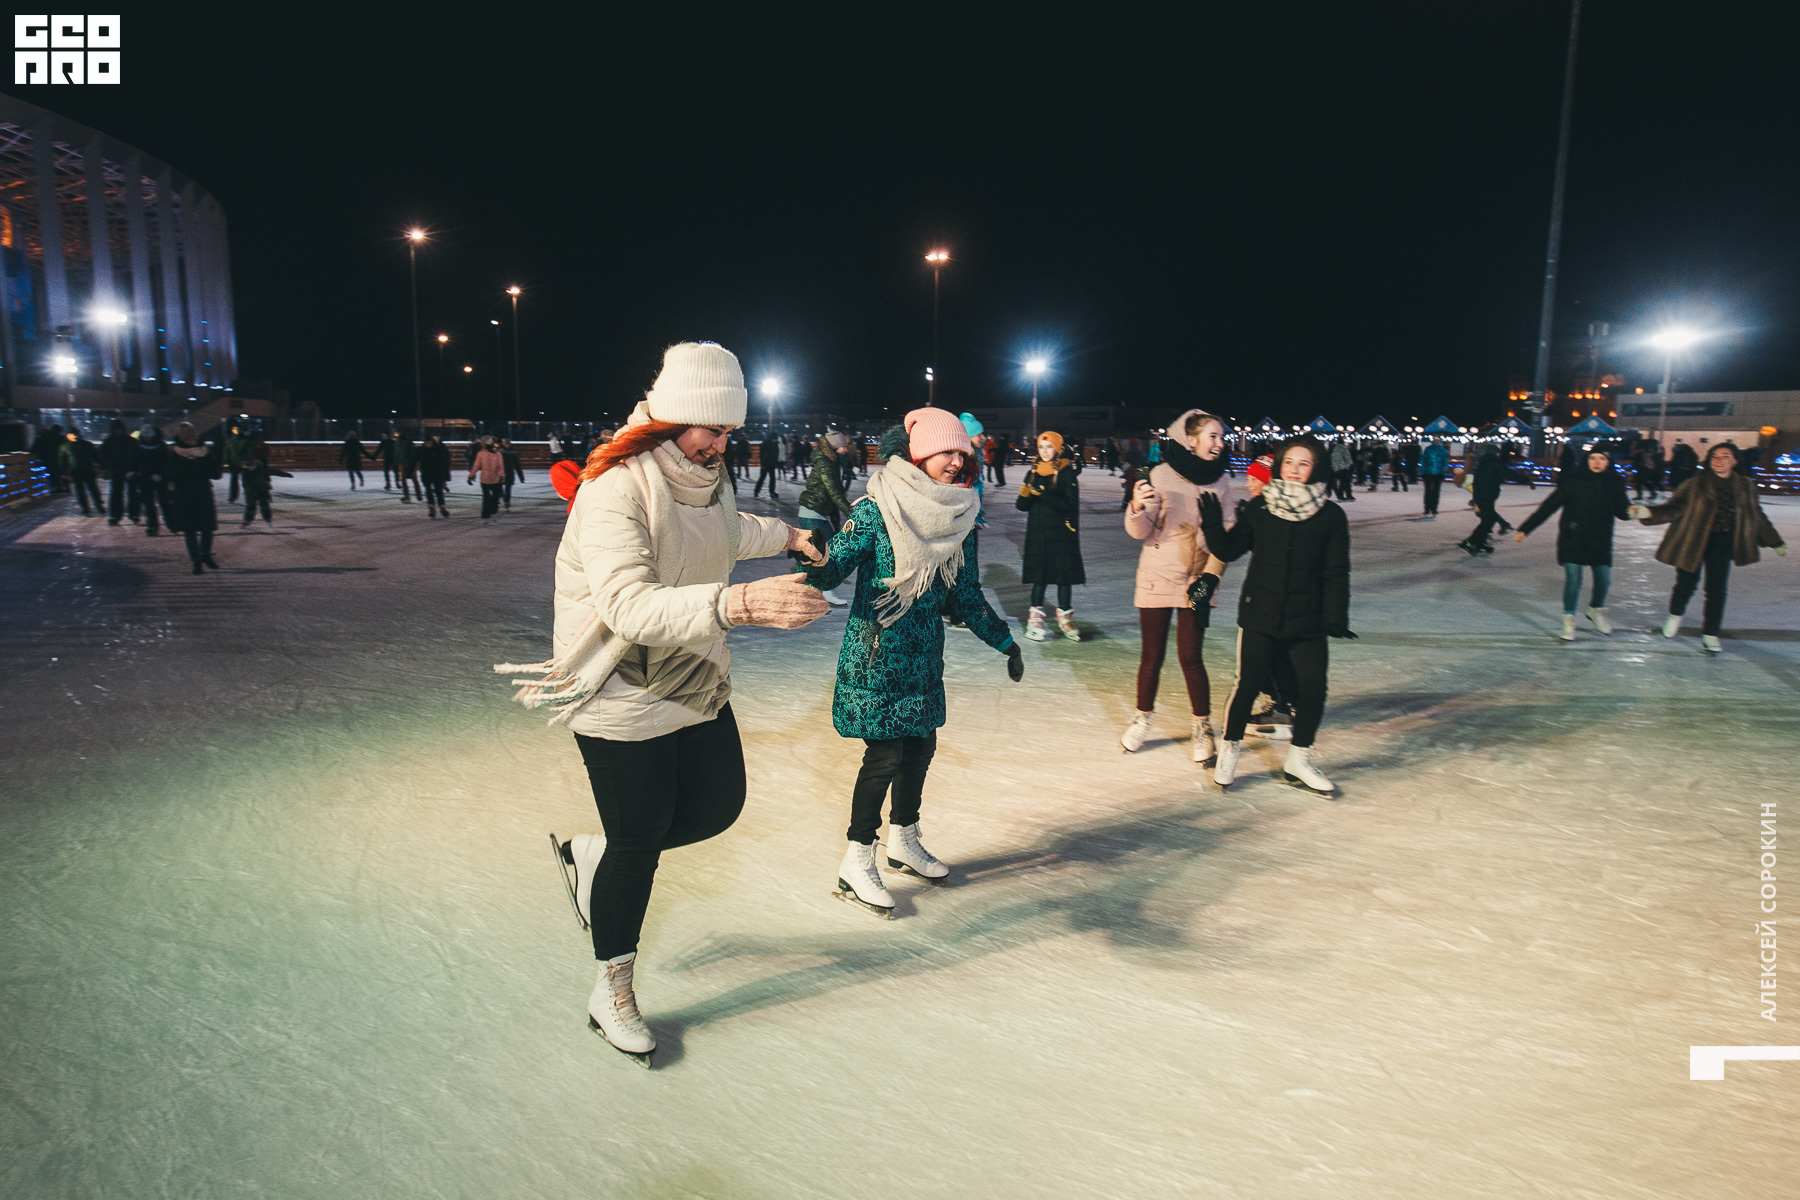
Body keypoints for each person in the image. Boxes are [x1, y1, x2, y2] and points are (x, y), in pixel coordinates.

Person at [506, 342, 828, 1065]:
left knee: (718, 807)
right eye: (712, 430)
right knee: (640, 845)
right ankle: (611, 987)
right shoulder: (615, 488)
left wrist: (791, 536)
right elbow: (628, 606)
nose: (722, 445)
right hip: (619, 685)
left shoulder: (705, 479)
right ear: (673, 417)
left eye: (731, 432)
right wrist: (742, 603)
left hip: (689, 671)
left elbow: (727, 532)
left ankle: (594, 855)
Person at [798, 407, 1023, 919]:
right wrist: (811, 553)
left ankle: (904, 839)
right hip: (877, 657)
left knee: (921, 748)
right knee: (884, 757)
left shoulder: (959, 519)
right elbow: (829, 572)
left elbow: (965, 595)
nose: (956, 461)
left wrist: (1004, 641)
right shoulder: (877, 510)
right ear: (919, 454)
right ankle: (857, 859)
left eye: (961, 453)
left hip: (923, 658)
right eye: (946, 451)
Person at [1199, 434, 1353, 796]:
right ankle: (1230, 750)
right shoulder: (1261, 507)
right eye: (1289, 463)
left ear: (1316, 468)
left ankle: (1298, 759)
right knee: (1248, 685)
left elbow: (1336, 570)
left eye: (1304, 464)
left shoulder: (1331, 516)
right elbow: (1229, 550)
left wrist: (1335, 614)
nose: (1295, 470)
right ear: (1280, 466)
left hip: (1308, 618)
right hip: (1261, 613)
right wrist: (1212, 525)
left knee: (1313, 689)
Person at [1121, 409, 1233, 762]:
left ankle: (1202, 725)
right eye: (1213, 436)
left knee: (1191, 657)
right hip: (1158, 574)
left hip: (1199, 579)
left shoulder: (1221, 481)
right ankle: (1143, 717)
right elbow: (1139, 531)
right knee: (1151, 656)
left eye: (1221, 437)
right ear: (1191, 439)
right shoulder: (1160, 475)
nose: (1219, 443)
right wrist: (1137, 506)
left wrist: (1211, 576)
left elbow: (1227, 539)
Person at [1631, 442, 1787, 654]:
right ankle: (1675, 615)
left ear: (1734, 461)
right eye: (1715, 456)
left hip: (1723, 543)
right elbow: (1674, 508)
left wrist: (1774, 541)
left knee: (1717, 589)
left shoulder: (1745, 486)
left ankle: (1711, 633)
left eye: (1725, 456)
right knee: (1686, 583)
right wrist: (1648, 513)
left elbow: (1756, 515)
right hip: (1693, 539)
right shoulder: (1694, 484)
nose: (1719, 460)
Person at [1513, 449, 1634, 641]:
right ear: (1586, 460)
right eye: (1593, 458)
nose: (1596, 462)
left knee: (1603, 579)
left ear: (1608, 462)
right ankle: (1568, 620)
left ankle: (1595, 611)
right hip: (1573, 536)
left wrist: (1632, 512)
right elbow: (1549, 506)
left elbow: (1622, 511)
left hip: (1600, 539)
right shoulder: (1573, 481)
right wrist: (1526, 529)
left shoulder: (1615, 483)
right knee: (1573, 579)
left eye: (1602, 459)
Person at [1017, 429, 1085, 640]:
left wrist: (1044, 494)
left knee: (1064, 577)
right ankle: (1035, 620)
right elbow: (1021, 505)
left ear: (1058, 448)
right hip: (1038, 534)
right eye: (1041, 447)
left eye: (1049, 447)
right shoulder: (1033, 471)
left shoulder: (1066, 473)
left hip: (1062, 534)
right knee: (1040, 578)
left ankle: (1065, 617)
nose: (1045, 451)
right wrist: (1028, 492)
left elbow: (1069, 504)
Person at [794, 429, 855, 606]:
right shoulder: (825, 464)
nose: (846, 449)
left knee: (820, 553)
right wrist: (851, 513)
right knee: (827, 553)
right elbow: (834, 493)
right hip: (812, 512)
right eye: (843, 446)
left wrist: (836, 523)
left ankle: (814, 590)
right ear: (835, 447)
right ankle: (825, 592)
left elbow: (833, 496)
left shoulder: (832, 462)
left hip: (818, 512)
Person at [165, 422, 222, 574]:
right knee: (189, 528)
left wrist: (206, 470)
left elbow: (216, 473)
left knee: (207, 526)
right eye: (187, 439)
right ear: (181, 439)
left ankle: (205, 554)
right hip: (184, 493)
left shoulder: (205, 450)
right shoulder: (174, 452)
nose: (191, 442)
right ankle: (196, 559)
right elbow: (169, 474)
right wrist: (184, 471)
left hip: (203, 491)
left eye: (193, 439)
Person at [1457, 444, 1506, 555]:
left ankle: (1480, 543)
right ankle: (1470, 542)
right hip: (1484, 496)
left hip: (1486, 495)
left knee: (1488, 520)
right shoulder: (1486, 463)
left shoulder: (1483, 462)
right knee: (1488, 520)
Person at [239, 437, 292, 525]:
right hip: (251, 492)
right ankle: (248, 519)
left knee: (264, 505)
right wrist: (249, 491)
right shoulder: (245, 474)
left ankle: (267, 518)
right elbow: (245, 484)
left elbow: (273, 472)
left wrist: (286, 474)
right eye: (249, 467)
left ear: (255, 465)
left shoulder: (261, 469)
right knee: (250, 506)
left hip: (262, 490)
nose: (251, 468)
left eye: (252, 466)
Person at [130, 425, 169, 534]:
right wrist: (133, 471)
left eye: (149, 436)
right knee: (149, 503)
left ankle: (171, 522)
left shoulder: (161, 446)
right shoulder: (140, 447)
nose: (147, 438)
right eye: (145, 436)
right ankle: (152, 526)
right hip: (145, 477)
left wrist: (160, 474)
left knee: (163, 501)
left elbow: (166, 462)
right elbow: (136, 461)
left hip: (159, 478)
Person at [98, 419, 135, 525]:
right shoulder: (127, 441)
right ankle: (117, 515)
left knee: (128, 493)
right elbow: (103, 456)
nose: (118, 431)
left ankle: (131, 513)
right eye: (116, 429)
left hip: (126, 470)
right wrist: (105, 467)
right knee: (118, 494)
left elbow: (136, 455)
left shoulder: (111, 441)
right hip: (118, 471)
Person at [59, 430, 103, 516]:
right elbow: (62, 460)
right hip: (79, 470)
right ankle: (87, 507)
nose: (74, 436)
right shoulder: (84, 444)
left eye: (75, 434)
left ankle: (95, 504)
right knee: (85, 489)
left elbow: (62, 460)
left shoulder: (67, 446)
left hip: (83, 469)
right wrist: (63, 472)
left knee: (89, 488)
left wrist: (63, 471)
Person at [468, 436, 508, 519]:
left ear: (486, 443)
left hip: (495, 479)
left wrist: (502, 475)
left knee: (495, 497)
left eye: (482, 443)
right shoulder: (481, 453)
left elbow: (501, 465)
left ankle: (493, 512)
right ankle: (485, 515)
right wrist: (471, 475)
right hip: (485, 479)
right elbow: (476, 465)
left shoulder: (497, 453)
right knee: (486, 497)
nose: (481, 444)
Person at [419, 435, 452, 517]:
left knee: (438, 490)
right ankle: (431, 507)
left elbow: (444, 461)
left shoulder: (438, 449)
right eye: (426, 443)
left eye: (429, 443)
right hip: (426, 473)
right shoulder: (422, 450)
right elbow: (414, 459)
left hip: (436, 473)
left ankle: (442, 507)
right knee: (428, 491)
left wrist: (444, 476)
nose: (428, 445)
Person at [1419, 438, 1449, 518]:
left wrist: (1423, 471)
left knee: (1431, 491)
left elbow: (1423, 460)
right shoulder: (1440, 450)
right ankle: (1430, 508)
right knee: (1433, 491)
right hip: (1433, 473)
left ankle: (1431, 508)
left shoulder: (1429, 449)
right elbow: (1444, 461)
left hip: (1431, 473)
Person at [222, 423, 249, 502]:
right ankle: (233, 496)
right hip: (235, 462)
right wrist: (227, 461)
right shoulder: (231, 439)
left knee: (245, 480)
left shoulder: (239, 439)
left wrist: (245, 459)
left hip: (240, 462)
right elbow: (227, 452)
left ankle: (247, 495)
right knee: (234, 480)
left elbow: (247, 451)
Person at [394, 430, 421, 503]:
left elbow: (411, 452)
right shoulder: (397, 441)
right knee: (404, 480)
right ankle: (407, 495)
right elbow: (396, 452)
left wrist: (412, 462)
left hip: (409, 463)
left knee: (414, 479)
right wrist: (397, 462)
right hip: (402, 463)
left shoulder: (407, 441)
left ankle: (418, 495)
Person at [754, 430, 782, 499]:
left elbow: (776, 454)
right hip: (766, 464)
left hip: (772, 464)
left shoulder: (775, 444)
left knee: (772, 478)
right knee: (762, 478)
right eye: (774, 439)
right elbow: (762, 455)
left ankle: (772, 492)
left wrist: (776, 463)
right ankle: (756, 491)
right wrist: (763, 464)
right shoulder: (766, 443)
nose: (775, 440)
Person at [501, 438, 524, 509]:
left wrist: (521, 477)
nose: (507, 445)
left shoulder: (512, 453)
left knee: (508, 488)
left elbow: (517, 465)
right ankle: (503, 497)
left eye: (508, 444)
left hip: (509, 472)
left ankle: (507, 501)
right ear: (503, 444)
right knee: (499, 487)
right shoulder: (499, 453)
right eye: (505, 444)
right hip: (501, 472)